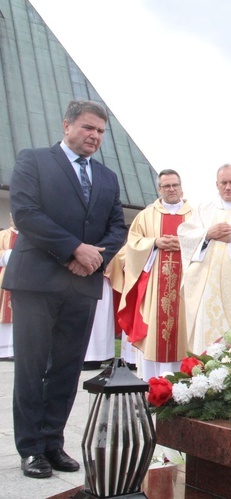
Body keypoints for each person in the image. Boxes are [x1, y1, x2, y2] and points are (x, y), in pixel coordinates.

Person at [3, 100, 127, 478]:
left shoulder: (106, 177)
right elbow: (26, 213)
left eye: (101, 132)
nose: (95, 136)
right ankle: (30, 450)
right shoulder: (34, 160)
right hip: (37, 282)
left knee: (66, 369)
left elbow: (117, 228)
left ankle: (53, 443)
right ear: (67, 125)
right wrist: (74, 248)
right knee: (31, 367)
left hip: (81, 285)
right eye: (88, 128)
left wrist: (93, 259)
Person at [178, 164, 231, 354]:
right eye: (223, 183)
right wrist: (207, 234)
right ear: (216, 184)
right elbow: (184, 235)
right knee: (207, 334)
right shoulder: (204, 209)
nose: (228, 187)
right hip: (207, 287)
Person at [118, 169, 193, 380]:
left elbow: (205, 244)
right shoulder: (146, 215)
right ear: (159, 189)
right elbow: (132, 245)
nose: (171, 189)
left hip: (184, 288)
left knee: (182, 333)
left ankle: (181, 385)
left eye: (175, 185)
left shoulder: (194, 215)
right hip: (155, 288)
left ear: (181, 187)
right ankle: (152, 385)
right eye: (166, 186)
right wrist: (154, 243)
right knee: (155, 334)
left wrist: (184, 243)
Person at [0, 216, 18, 360]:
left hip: (24, 280)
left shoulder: (29, 236)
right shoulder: (3, 234)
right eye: (11, 217)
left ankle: (15, 351)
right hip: (5, 278)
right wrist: (9, 254)